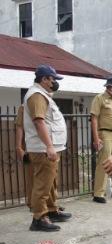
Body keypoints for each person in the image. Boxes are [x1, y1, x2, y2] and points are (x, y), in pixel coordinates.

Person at [23, 64, 71, 231]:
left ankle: (51, 211)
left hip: (48, 148)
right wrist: (49, 146)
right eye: (53, 79)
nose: (55, 82)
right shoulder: (37, 96)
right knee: (43, 185)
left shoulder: (43, 94)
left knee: (50, 183)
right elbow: (39, 121)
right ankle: (38, 218)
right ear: (44, 79)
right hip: (43, 149)